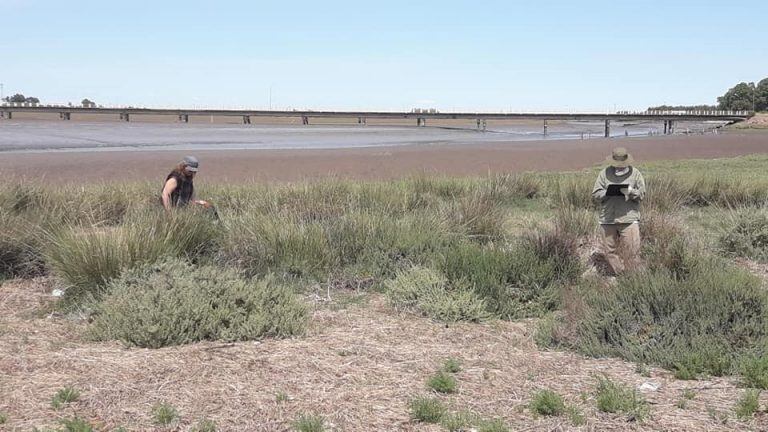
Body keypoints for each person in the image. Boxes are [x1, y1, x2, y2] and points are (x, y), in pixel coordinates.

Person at [591, 147, 646, 275]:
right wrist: (608, 192)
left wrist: (631, 192)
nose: (619, 167)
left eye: (622, 165)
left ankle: (633, 279)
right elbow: (596, 194)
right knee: (610, 251)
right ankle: (619, 275)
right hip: (608, 218)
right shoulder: (604, 173)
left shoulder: (636, 174)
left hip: (629, 219)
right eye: (617, 165)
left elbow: (642, 194)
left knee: (633, 251)